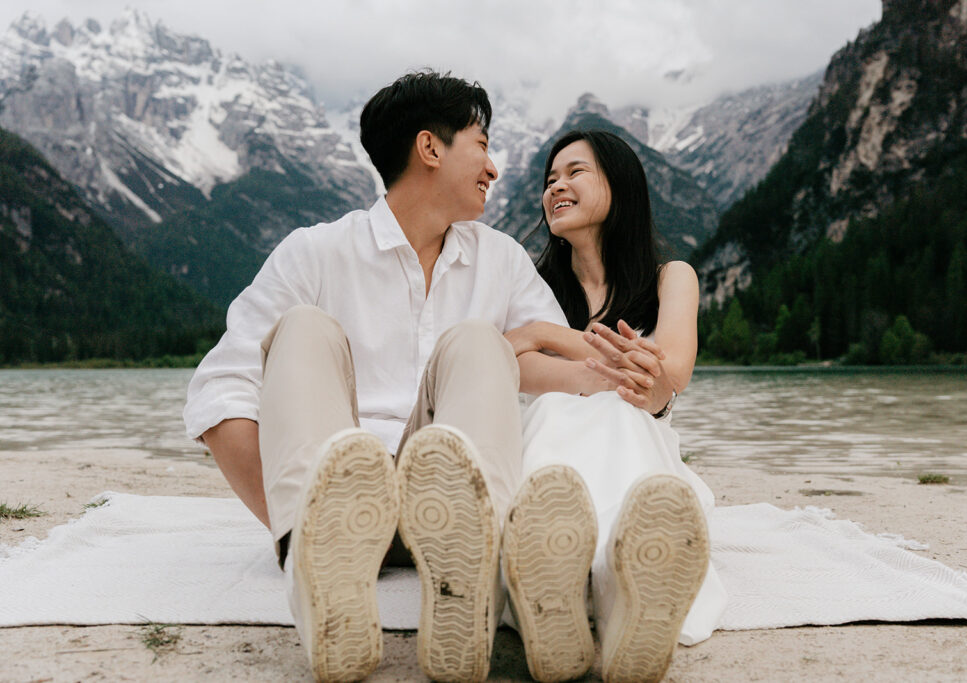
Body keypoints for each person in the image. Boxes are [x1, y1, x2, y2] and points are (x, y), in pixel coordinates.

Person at [182, 71, 575, 683]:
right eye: (482, 143)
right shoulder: (313, 252)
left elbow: (557, 372)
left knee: (475, 341)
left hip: (449, 508)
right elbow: (219, 389)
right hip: (339, 499)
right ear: (430, 148)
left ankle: (470, 579)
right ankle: (322, 567)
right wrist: (292, 521)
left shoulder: (500, 258)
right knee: (304, 327)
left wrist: (593, 360)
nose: (493, 167)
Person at [501, 130, 728, 683]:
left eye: (574, 172)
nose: (557, 186)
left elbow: (667, 375)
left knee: (619, 412)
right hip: (550, 430)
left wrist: (554, 340)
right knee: (559, 411)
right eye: (550, 179)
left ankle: (613, 579)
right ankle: (583, 582)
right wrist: (545, 335)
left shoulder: (672, 278)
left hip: (638, 431)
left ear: (619, 184)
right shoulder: (532, 285)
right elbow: (506, 357)